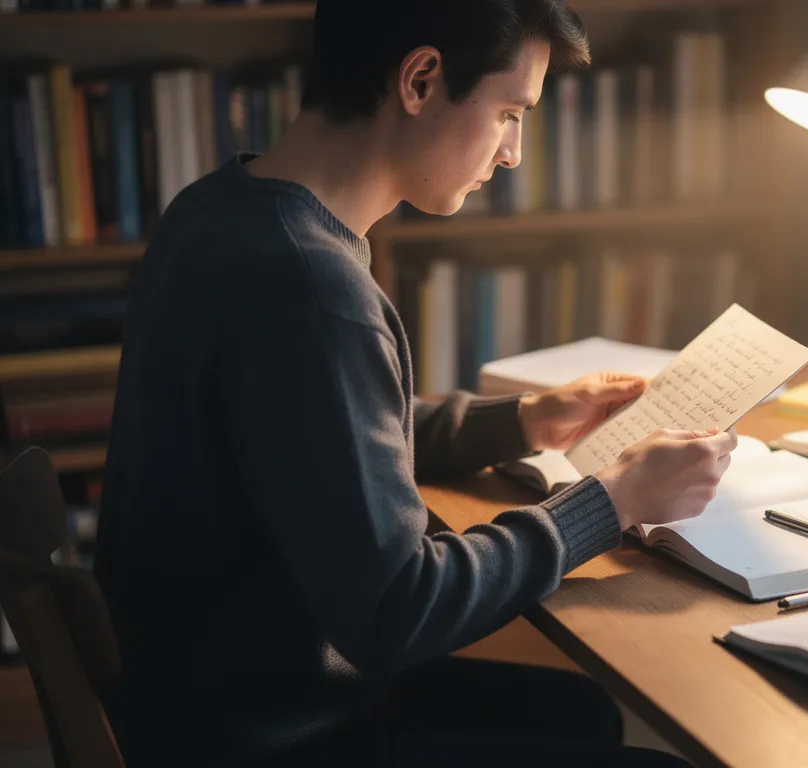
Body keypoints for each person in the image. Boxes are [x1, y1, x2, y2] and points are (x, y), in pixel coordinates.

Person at [91, 1, 735, 765]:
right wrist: (613, 502)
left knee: (582, 710)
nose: (512, 154)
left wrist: (525, 419)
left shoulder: (219, 212)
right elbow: (398, 607)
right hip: (271, 733)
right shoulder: (312, 286)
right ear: (421, 80)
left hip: (209, 695)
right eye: (508, 112)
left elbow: (319, 441)